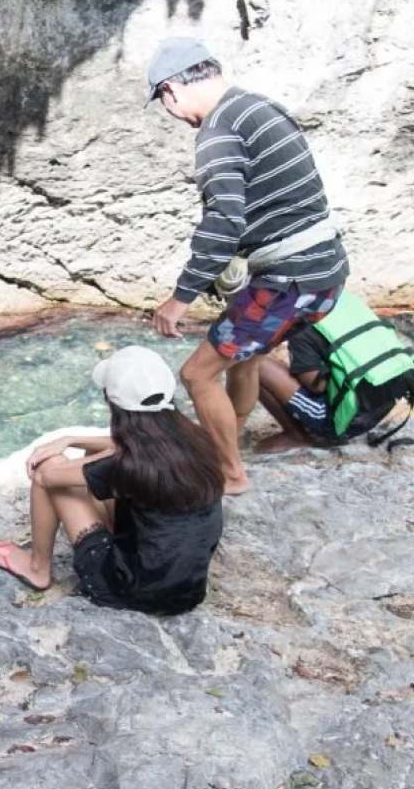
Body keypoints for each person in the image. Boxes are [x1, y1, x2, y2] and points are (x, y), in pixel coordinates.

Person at [143, 36, 350, 495]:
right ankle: (227, 440)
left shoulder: (218, 132)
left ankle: (230, 474)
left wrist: (179, 299)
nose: (170, 112)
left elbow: (223, 222)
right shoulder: (258, 108)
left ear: (172, 90)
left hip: (288, 281)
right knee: (244, 356)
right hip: (326, 274)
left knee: (197, 373)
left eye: (162, 101)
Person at [0, 345, 225, 615]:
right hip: (187, 589)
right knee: (94, 453)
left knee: (47, 468)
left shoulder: (129, 464)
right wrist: (71, 439)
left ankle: (37, 568)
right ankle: (110, 531)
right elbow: (127, 448)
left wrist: (70, 459)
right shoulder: (194, 437)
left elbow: (48, 477)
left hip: (130, 590)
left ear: (112, 402)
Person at [255, 291, 414, 453]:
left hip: (344, 420)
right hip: (378, 406)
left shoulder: (302, 325)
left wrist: (296, 367)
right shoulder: (344, 299)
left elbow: (315, 386)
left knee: (253, 366)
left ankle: (297, 435)